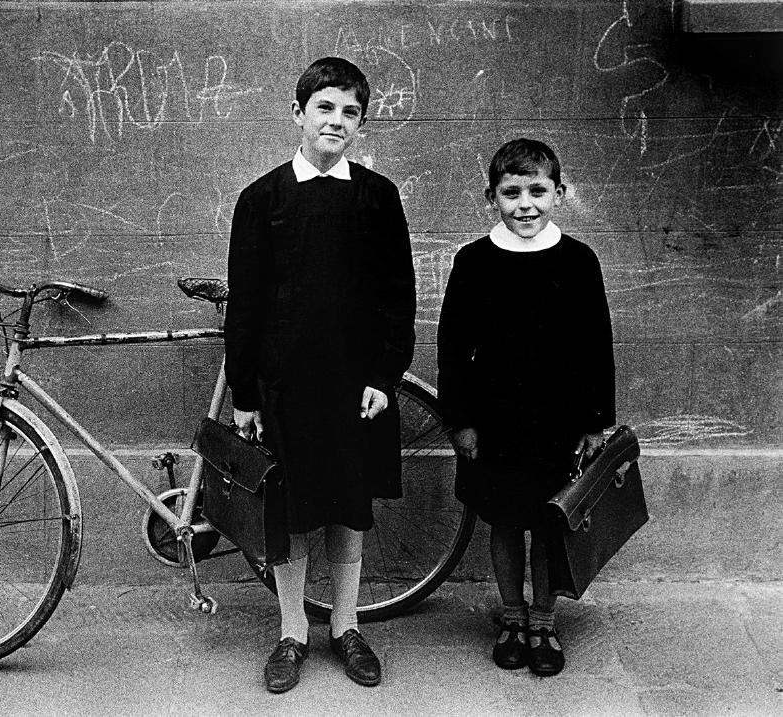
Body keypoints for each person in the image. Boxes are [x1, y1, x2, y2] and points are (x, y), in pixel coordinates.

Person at [224, 56, 416, 693]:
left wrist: (384, 377)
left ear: (362, 125)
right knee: (292, 510)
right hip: (285, 386)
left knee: (346, 509)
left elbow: (398, 296)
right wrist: (245, 393)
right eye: (325, 108)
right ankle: (290, 632)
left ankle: (346, 625)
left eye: (350, 112)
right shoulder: (262, 199)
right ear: (298, 115)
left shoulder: (378, 197)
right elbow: (246, 302)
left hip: (354, 385)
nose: (337, 121)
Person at [436, 138, 615, 677]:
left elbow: (596, 344)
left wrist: (595, 422)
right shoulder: (473, 261)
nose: (525, 204)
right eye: (511, 193)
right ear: (491, 197)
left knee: (547, 521)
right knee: (506, 520)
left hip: (556, 422)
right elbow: (452, 345)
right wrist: (460, 420)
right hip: (495, 424)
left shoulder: (579, 261)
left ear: (559, 194)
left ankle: (543, 619)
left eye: (538, 191)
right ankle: (512, 615)